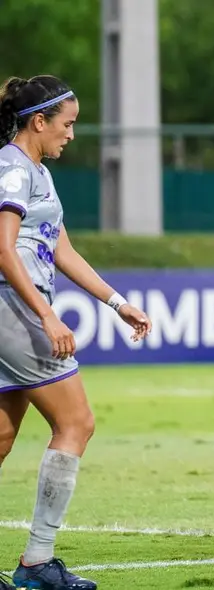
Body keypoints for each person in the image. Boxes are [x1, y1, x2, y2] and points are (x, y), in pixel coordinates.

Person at [0, 75, 152, 590]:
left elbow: (62, 251)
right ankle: (38, 563)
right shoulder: (14, 169)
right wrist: (45, 314)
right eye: (67, 124)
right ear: (38, 121)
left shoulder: (36, 171)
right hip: (15, 313)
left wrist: (116, 302)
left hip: (12, 313)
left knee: (1, 437)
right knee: (77, 423)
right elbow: (3, 250)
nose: (71, 134)